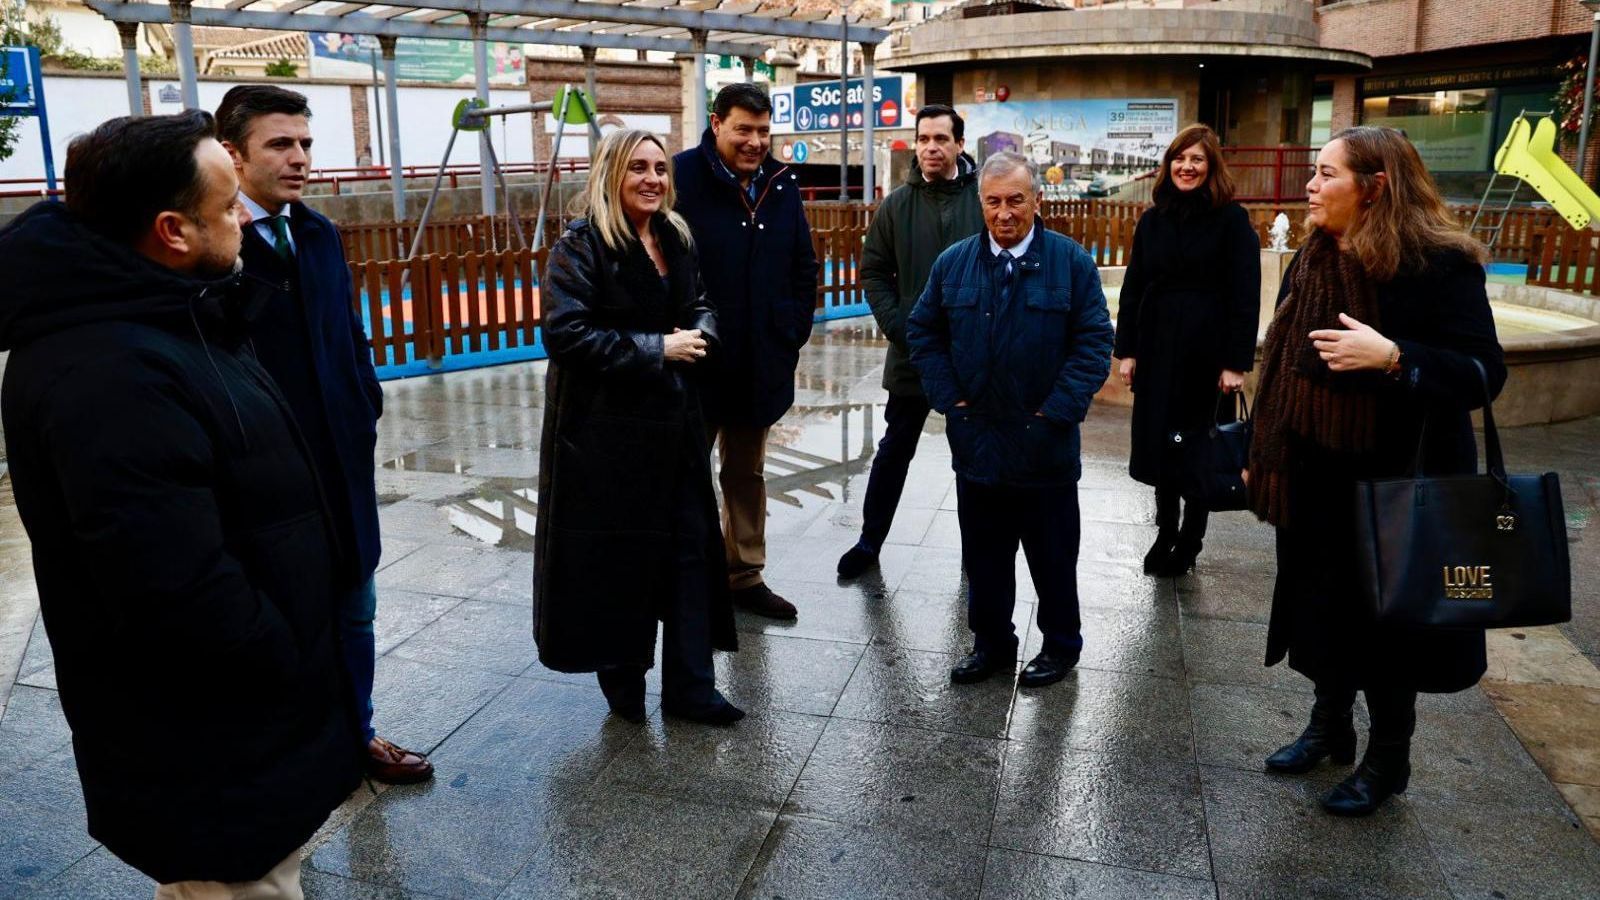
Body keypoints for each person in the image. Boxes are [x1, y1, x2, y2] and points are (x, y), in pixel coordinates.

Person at [0, 111, 361, 896]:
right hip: (211, 739)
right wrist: (280, 653)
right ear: (172, 230)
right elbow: (172, 583)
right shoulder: (110, 371)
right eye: (228, 207)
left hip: (242, 727)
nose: (243, 219)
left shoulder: (173, 311)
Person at [1248, 126, 1504, 816]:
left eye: (1326, 174)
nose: (1310, 186)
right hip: (1315, 471)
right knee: (1322, 609)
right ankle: (1329, 725)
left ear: (1375, 186)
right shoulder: (1313, 254)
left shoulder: (1438, 264)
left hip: (1399, 481)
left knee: (1391, 626)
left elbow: (1485, 373)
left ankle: (1388, 759)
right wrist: (1261, 450)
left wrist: (1394, 357)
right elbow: (1277, 364)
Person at [215, 85, 433, 784]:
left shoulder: (316, 233)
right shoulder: (214, 246)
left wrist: (361, 402)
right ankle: (285, 754)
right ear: (232, 155)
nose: (300, 157)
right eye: (280, 143)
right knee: (279, 624)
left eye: (306, 142)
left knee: (356, 611)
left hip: (340, 465)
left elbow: (347, 333)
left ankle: (355, 735)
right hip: (263, 482)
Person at [534, 128, 744, 726]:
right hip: (606, 440)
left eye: (659, 168)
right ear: (611, 174)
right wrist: (658, 348)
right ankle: (622, 684)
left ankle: (691, 688)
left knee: (687, 554)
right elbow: (566, 334)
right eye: (637, 168)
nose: (652, 179)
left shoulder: (675, 238)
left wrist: (699, 334)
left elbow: (702, 301)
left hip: (675, 428)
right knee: (619, 565)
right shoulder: (581, 247)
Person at [907, 152, 1115, 688]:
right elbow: (923, 332)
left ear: (1036, 200)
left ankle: (1061, 646)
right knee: (985, 558)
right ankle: (992, 644)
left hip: (1045, 447)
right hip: (978, 446)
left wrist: (1055, 413)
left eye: (1016, 200)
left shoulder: (1070, 262)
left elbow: (1094, 343)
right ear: (981, 204)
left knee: (1052, 560)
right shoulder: (954, 263)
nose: (1005, 213)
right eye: (994, 202)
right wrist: (950, 402)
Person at [674, 83, 820, 621]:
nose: (755, 141)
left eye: (763, 131)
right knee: (685, 472)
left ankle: (744, 574)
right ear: (717, 124)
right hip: (696, 359)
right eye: (743, 129)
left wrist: (791, 331)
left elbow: (803, 267)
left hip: (760, 360)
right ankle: (690, 575)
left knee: (746, 472)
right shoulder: (681, 177)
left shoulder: (781, 184)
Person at [837, 103, 984, 579]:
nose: (931, 148)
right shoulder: (897, 205)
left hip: (971, 357)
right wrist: (899, 325)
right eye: (923, 139)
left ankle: (976, 556)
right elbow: (874, 271)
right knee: (894, 450)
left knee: (972, 459)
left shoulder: (983, 198)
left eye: (941, 139)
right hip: (912, 352)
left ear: (959, 144)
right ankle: (869, 540)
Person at [1114, 124, 1261, 577]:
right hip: (1158, 348)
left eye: (1197, 159)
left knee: (1197, 445)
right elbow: (1134, 286)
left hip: (1205, 350)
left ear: (1211, 166)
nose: (1187, 166)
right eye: (1180, 158)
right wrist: (1129, 351)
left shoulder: (1232, 221)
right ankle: (1164, 529)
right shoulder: (1153, 219)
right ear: (1169, 165)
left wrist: (1236, 362)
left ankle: (1191, 538)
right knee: (1163, 442)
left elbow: (1245, 293)